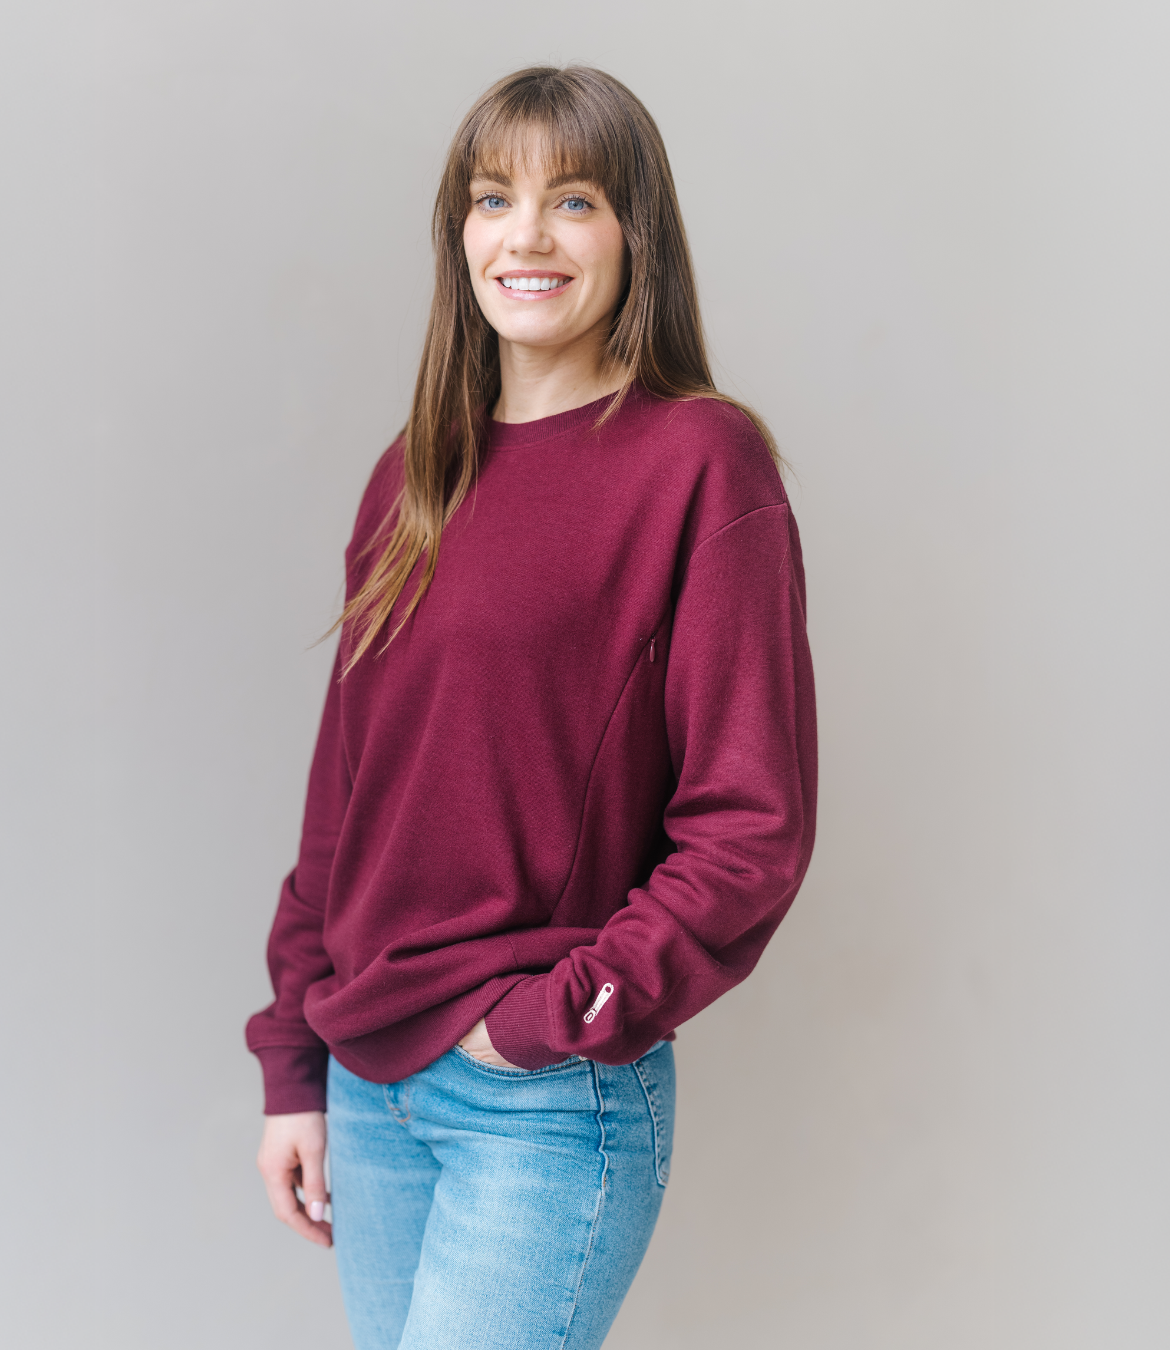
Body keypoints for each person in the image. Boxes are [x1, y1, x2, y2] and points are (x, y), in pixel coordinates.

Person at [246, 64, 817, 1350]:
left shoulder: (700, 462)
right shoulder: (414, 474)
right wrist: (293, 1061)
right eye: (494, 198)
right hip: (369, 1080)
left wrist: (556, 1019)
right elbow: (347, 803)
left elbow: (752, 825)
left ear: (633, 233)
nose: (528, 236)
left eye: (575, 200)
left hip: (539, 1098)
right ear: (460, 233)